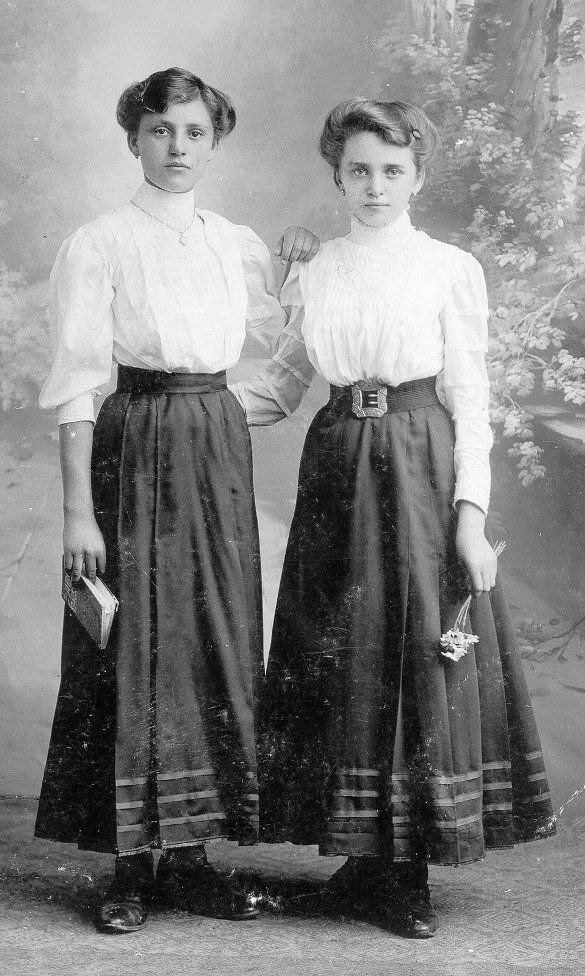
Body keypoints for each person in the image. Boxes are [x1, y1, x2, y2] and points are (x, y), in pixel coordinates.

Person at [235, 98, 556, 939]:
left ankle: (405, 872)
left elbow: (471, 401)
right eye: (357, 170)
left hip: (420, 461)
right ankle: (357, 859)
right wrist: (189, 411)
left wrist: (469, 516)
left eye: (391, 170)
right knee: (337, 643)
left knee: (413, 642)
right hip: (337, 458)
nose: (373, 186)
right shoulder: (318, 268)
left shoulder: (449, 267)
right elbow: (279, 386)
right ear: (336, 173)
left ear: (418, 175)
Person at [36, 66, 319, 934]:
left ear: (214, 139)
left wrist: (303, 270)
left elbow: (285, 354)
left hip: (212, 441)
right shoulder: (100, 241)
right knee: (133, 641)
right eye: (161, 130)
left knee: (212, 633)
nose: (178, 148)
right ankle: (130, 866)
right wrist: (79, 512)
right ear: (133, 138)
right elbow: (80, 384)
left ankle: (194, 859)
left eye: (195, 132)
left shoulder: (234, 244)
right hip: (134, 437)